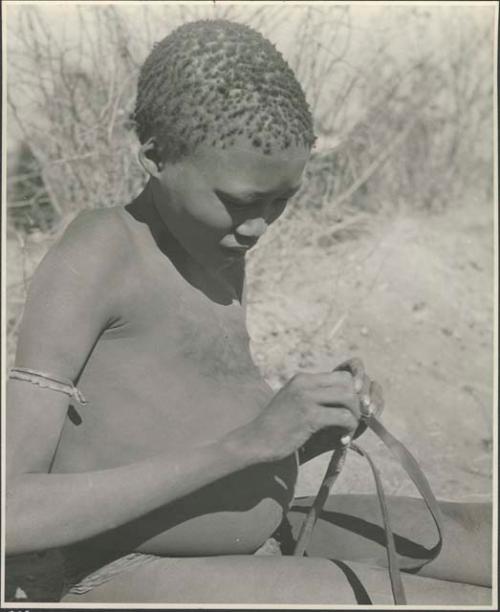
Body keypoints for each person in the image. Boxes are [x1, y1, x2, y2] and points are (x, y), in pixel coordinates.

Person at [5, 19, 492, 605]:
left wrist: (307, 427)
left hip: (256, 538)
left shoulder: (215, 249)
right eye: (240, 203)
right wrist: (247, 444)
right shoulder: (101, 251)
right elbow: (11, 514)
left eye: (280, 201)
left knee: (481, 535)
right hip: (116, 570)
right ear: (156, 157)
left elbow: (173, 426)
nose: (259, 227)